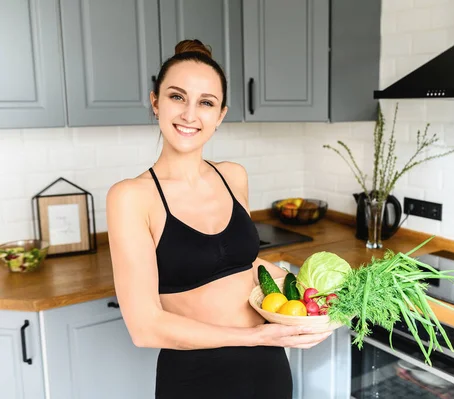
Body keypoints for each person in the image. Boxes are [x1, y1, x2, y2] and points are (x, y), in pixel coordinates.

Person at [106, 39, 331, 399]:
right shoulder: (131, 196)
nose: (190, 115)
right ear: (155, 102)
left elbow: (243, 264)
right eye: (177, 97)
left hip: (268, 369)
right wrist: (254, 337)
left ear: (221, 115)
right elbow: (145, 327)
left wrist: (308, 290)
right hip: (196, 378)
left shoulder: (233, 176)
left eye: (206, 102)